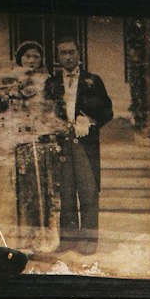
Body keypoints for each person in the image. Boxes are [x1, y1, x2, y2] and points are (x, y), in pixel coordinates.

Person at [45, 37, 113, 256]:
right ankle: (67, 239)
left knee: (88, 190)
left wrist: (90, 121)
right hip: (62, 143)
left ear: (79, 54)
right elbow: (44, 112)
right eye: (63, 53)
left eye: (72, 52)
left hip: (86, 144)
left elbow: (107, 112)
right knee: (65, 191)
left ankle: (88, 239)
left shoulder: (93, 80)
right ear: (58, 57)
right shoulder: (51, 82)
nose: (68, 57)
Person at [10, 41, 58, 254]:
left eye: (36, 57)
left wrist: (43, 126)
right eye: (27, 56)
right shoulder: (12, 81)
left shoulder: (47, 82)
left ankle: (41, 237)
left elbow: (53, 110)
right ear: (20, 58)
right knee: (23, 191)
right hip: (19, 142)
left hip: (40, 141)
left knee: (41, 190)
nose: (31, 60)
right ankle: (23, 238)